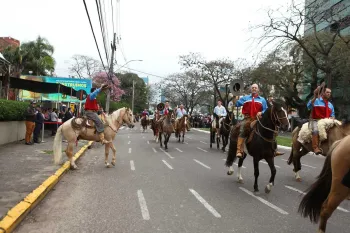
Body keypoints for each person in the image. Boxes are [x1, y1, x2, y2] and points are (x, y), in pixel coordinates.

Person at [235, 84, 268, 158]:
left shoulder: (262, 99)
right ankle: (239, 150)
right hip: (248, 118)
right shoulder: (245, 98)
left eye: (255, 88)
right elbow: (236, 104)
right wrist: (235, 98)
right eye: (253, 88)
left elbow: (266, 109)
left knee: (269, 129)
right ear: (251, 89)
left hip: (258, 119)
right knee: (242, 129)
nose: (254, 89)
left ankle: (273, 150)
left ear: (258, 89)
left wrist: (261, 112)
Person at [307, 87, 335, 155]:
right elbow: (308, 106)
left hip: (327, 122)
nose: (329, 94)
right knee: (315, 130)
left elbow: (333, 115)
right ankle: (315, 147)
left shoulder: (330, 105)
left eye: (330, 93)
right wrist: (314, 96)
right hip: (316, 120)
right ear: (323, 93)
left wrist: (332, 118)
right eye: (327, 92)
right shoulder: (316, 100)